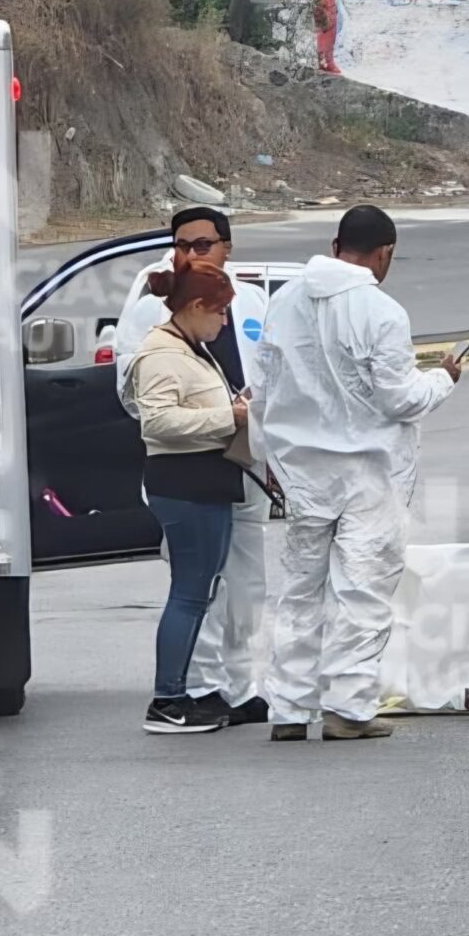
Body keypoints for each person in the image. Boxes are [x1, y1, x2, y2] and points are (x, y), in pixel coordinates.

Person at [253, 205, 460, 741]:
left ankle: (290, 711)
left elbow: (265, 389)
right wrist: (443, 378)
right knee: (361, 590)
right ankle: (347, 706)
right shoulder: (382, 311)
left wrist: (272, 458)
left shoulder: (284, 302)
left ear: (335, 242)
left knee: (300, 592)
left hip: (302, 472)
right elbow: (399, 398)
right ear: (384, 252)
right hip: (370, 473)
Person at [115, 205, 279, 727]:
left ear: (227, 246)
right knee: (202, 584)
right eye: (182, 244)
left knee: (247, 586)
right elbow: (134, 393)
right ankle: (200, 686)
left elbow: (271, 371)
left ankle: (238, 684)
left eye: (202, 244)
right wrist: (212, 420)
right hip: (192, 466)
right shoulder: (153, 309)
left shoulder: (249, 300)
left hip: (244, 460)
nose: (189, 253)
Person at [125, 260, 250, 733]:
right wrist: (230, 419)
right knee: (189, 593)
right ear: (195, 307)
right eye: (219, 313)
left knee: (199, 591)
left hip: (204, 478)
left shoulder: (188, 346)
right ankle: (167, 700)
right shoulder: (162, 353)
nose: (223, 323)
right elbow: (155, 422)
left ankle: (180, 694)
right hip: (184, 482)